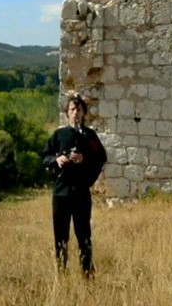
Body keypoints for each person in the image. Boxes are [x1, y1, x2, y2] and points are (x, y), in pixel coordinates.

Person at [42, 94, 107, 277]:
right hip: (61, 193)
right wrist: (57, 159)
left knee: (84, 235)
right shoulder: (59, 135)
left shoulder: (90, 137)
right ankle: (61, 274)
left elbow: (100, 158)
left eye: (79, 110)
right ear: (67, 113)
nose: (75, 114)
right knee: (61, 236)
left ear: (84, 113)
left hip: (81, 193)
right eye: (72, 110)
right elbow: (45, 158)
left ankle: (87, 274)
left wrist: (84, 159)